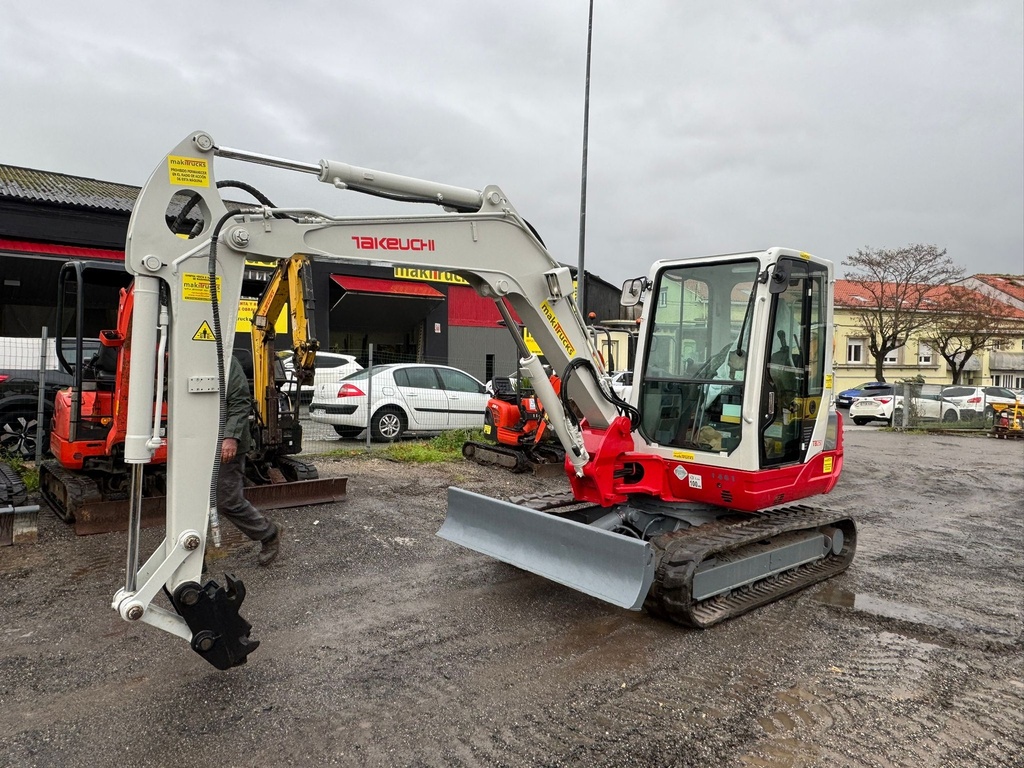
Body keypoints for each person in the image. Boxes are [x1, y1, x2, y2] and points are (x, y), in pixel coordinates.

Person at [218, 355, 282, 566]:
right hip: (196, 444)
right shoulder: (182, 354)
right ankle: (193, 556)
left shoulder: (224, 358)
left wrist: (231, 436)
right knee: (192, 503)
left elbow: (240, 400)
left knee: (227, 500)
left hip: (226, 444)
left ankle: (268, 533)